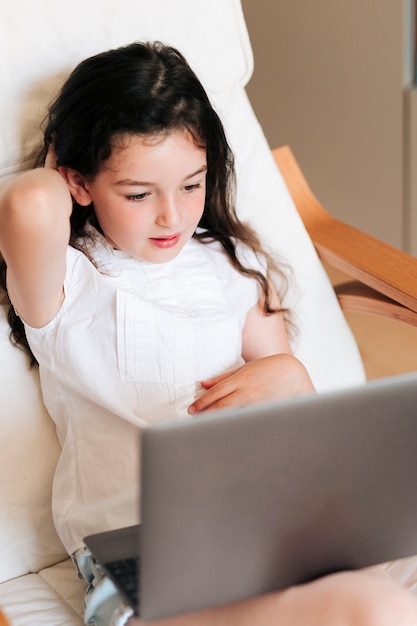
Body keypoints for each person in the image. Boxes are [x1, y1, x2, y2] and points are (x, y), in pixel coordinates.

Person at [0, 42, 416, 626]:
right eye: (140, 194)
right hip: (143, 547)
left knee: (378, 603)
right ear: (77, 181)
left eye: (192, 185)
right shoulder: (68, 285)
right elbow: (26, 204)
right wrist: (62, 161)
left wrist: (292, 378)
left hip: (262, 520)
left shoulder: (231, 265)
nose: (172, 215)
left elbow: (299, 426)